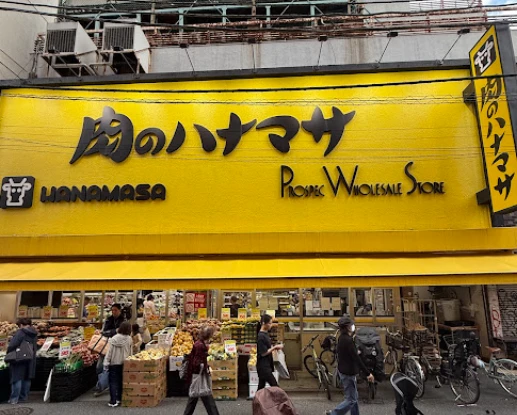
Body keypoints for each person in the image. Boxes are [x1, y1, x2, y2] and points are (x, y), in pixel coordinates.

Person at [326, 316, 374, 415]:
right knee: (351, 399)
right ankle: (334, 413)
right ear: (347, 327)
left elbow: (347, 353)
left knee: (354, 397)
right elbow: (356, 358)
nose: (353, 326)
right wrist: (368, 374)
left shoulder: (342, 338)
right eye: (351, 325)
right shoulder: (348, 340)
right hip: (348, 372)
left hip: (344, 370)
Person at [183, 326, 220, 415]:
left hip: (197, 374)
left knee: (195, 397)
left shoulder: (199, 343)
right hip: (199, 375)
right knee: (205, 395)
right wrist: (204, 368)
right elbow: (197, 362)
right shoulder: (200, 345)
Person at [95, 303, 126, 397]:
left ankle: (101, 386)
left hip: (116, 347)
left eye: (115, 310)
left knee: (108, 366)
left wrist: (110, 332)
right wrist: (113, 331)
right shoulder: (108, 319)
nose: (113, 312)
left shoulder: (123, 321)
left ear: (120, 310)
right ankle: (103, 383)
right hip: (105, 346)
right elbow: (104, 331)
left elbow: (121, 332)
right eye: (112, 310)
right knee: (100, 366)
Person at [7, 318, 37, 405]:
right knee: (27, 377)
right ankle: (23, 397)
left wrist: (9, 351)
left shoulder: (21, 332)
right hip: (30, 357)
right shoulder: (34, 333)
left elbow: (13, 344)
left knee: (17, 377)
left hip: (19, 357)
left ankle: (14, 398)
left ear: (21, 325)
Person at [104, 321, 133, 408]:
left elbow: (109, 352)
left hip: (114, 363)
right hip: (124, 363)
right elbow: (130, 352)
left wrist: (106, 363)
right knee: (121, 381)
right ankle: (119, 398)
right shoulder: (129, 339)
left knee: (113, 382)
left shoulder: (114, 338)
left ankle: (113, 401)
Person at [257, 314, 282, 390]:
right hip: (263, 366)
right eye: (270, 323)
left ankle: (257, 397)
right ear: (264, 323)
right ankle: (280, 398)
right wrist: (275, 347)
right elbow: (263, 353)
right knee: (275, 387)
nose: (271, 325)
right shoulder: (261, 336)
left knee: (261, 387)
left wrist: (274, 347)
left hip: (265, 365)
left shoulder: (265, 334)